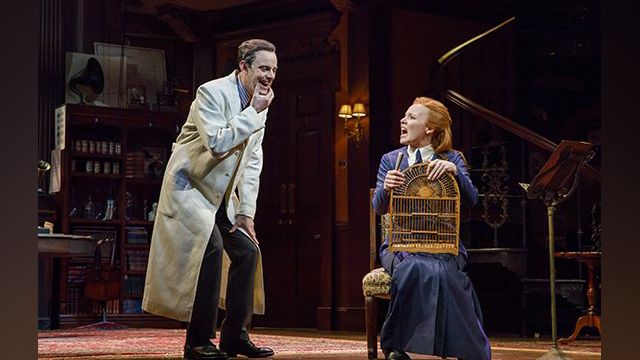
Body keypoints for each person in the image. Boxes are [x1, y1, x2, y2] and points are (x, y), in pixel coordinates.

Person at [142, 39, 278, 360]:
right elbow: (218, 143)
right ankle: (197, 342)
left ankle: (235, 337)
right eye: (263, 68)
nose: (269, 75)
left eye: (273, 69)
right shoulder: (211, 92)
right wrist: (253, 112)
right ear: (244, 66)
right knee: (211, 249)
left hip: (220, 195)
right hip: (190, 187)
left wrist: (246, 212)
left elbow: (252, 160)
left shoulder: (261, 102)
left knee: (247, 251)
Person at [372, 97, 491, 360]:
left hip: (444, 243)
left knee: (448, 274)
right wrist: (386, 188)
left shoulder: (452, 158)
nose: (403, 121)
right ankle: (396, 346)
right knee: (414, 267)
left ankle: (467, 349)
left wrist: (455, 173)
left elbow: (471, 200)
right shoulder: (391, 160)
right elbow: (379, 207)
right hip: (401, 243)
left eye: (412, 117)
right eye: (405, 116)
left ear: (429, 128)